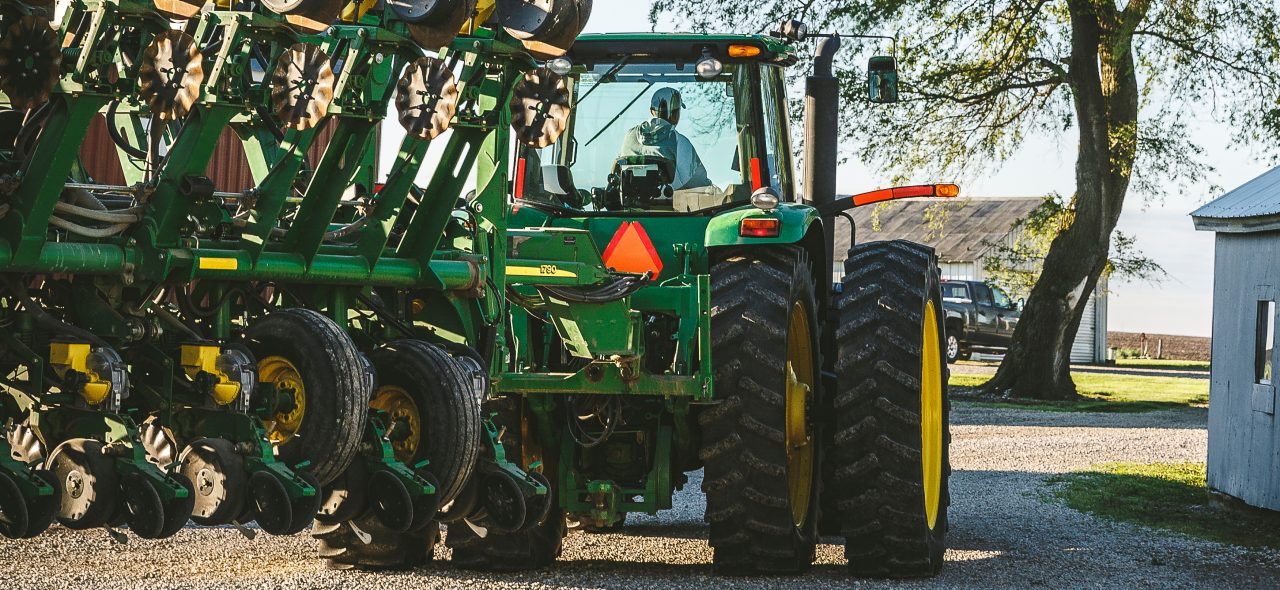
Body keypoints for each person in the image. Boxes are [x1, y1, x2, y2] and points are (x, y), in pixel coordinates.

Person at [618, 87, 711, 190]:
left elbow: (618, 168)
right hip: (669, 205)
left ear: (651, 111)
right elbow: (699, 184)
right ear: (676, 114)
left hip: (628, 203)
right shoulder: (679, 141)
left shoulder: (629, 136)